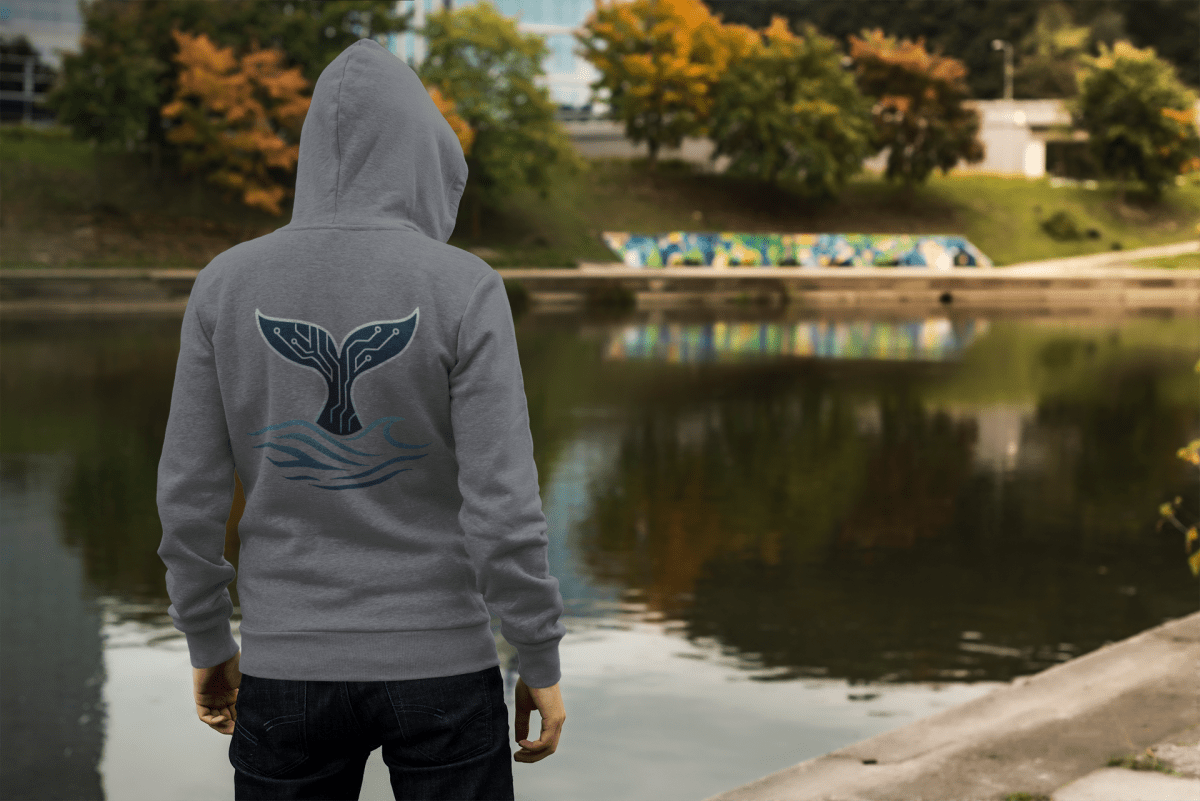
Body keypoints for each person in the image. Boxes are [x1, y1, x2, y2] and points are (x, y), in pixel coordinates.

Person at [155, 37, 567, 800]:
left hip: (286, 670)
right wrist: (537, 653)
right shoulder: (464, 287)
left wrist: (209, 639)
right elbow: (503, 506)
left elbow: (187, 499)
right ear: (424, 158)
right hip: (444, 668)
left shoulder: (224, 284)